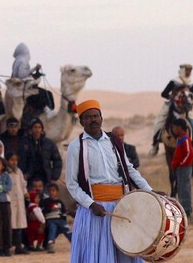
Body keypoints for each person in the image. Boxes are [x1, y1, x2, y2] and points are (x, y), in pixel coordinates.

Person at [65, 99, 154, 263]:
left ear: (101, 118)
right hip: (95, 211)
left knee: (126, 255)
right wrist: (91, 204)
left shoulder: (113, 141)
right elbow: (71, 184)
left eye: (96, 116)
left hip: (121, 208)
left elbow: (130, 170)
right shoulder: (76, 146)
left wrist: (151, 192)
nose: (93, 120)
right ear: (81, 121)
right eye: (88, 117)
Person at [18, 118, 62, 185]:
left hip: (45, 176)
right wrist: (22, 174)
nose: (37, 130)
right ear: (31, 129)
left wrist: (55, 176)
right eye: (35, 127)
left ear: (42, 129)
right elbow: (21, 160)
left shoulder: (49, 143)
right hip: (29, 176)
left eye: (39, 127)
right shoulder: (24, 143)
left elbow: (57, 160)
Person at [171, 118, 193, 218]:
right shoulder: (180, 138)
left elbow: (189, 153)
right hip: (180, 167)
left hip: (184, 167)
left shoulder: (185, 138)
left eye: (175, 127)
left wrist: (181, 164)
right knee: (181, 187)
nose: (173, 129)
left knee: (184, 188)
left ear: (180, 128)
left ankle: (187, 209)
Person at [5, 153, 29, 255]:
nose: (14, 162)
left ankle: (19, 246)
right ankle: (8, 247)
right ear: (7, 160)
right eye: (11, 160)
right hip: (10, 201)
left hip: (19, 201)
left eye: (16, 160)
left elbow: (23, 184)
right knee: (11, 225)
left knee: (19, 225)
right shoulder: (5, 173)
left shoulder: (19, 171)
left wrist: (26, 194)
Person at [40, 182, 71, 253]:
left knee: (68, 230)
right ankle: (50, 245)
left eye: (53, 191)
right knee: (52, 230)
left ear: (57, 192)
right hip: (51, 219)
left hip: (60, 220)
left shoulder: (59, 202)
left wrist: (65, 217)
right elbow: (42, 210)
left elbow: (63, 211)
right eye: (50, 191)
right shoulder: (45, 201)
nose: (51, 192)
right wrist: (50, 209)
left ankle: (75, 244)